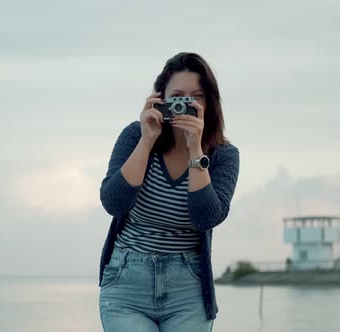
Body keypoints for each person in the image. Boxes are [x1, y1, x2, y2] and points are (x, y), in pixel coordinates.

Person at [98, 52, 240, 332]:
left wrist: (195, 149)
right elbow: (113, 202)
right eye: (178, 96)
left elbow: (207, 218)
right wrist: (146, 139)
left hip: (188, 287)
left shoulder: (224, 156)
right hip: (127, 282)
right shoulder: (134, 136)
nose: (186, 104)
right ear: (160, 99)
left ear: (210, 103)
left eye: (196, 97)